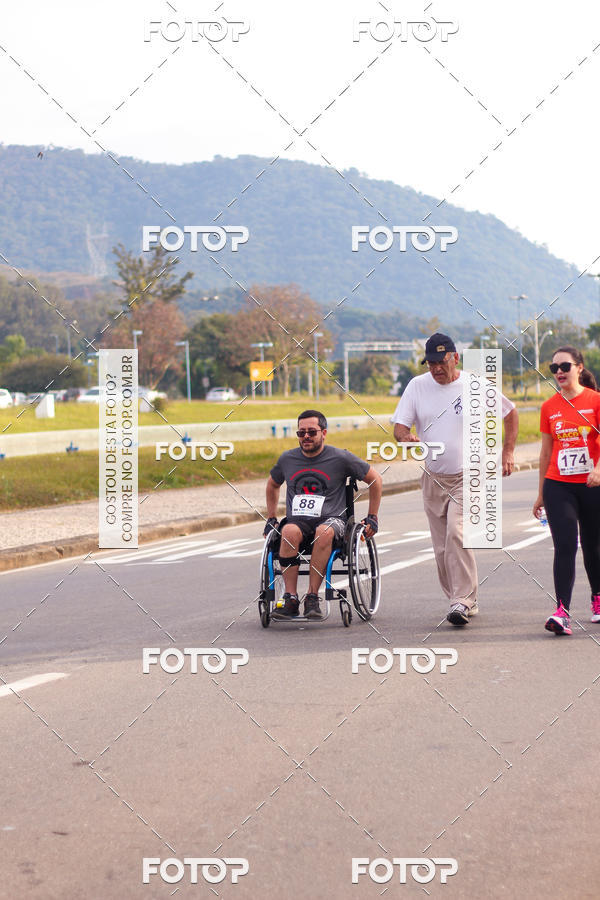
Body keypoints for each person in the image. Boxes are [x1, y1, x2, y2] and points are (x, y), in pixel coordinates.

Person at [392, 332, 518, 626]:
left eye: (441, 361)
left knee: (456, 533)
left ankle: (462, 600)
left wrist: (508, 451)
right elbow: (399, 427)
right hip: (433, 477)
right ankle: (459, 600)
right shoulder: (417, 386)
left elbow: (510, 412)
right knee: (441, 547)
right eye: (431, 363)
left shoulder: (475, 385)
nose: (436, 368)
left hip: (469, 475)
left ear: (455, 358)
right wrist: (405, 437)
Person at [263, 409, 382, 620]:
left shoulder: (340, 457)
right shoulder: (288, 459)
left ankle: (312, 596)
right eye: (301, 433)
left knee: (324, 532)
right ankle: (290, 598)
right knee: (288, 532)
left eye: (311, 432)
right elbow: (272, 484)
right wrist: (271, 518)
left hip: (332, 520)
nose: (306, 437)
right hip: (298, 520)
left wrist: (372, 516)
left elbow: (375, 479)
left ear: (324, 433)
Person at [533, 346, 600, 635]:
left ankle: (598, 598)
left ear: (579, 368)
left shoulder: (596, 401)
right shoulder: (549, 407)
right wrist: (540, 493)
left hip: (592, 485)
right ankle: (562, 611)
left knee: (593, 545)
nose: (559, 372)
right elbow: (546, 452)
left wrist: (599, 469)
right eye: (554, 368)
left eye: (565, 366)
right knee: (565, 546)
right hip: (558, 486)